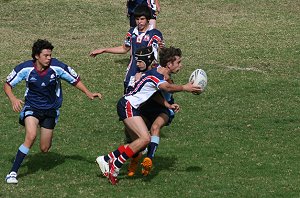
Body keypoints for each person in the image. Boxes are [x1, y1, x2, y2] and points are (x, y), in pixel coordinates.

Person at [96, 46, 203, 185]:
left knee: (141, 144)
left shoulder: (158, 71)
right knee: (145, 138)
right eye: (178, 62)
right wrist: (185, 87)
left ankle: (107, 159)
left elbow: (154, 93)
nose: (180, 65)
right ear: (169, 64)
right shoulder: (157, 75)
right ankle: (115, 165)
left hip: (129, 105)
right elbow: (167, 88)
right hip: (128, 105)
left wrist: (167, 105)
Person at [4, 39, 102, 184]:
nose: (49, 58)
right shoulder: (25, 68)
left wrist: (88, 92)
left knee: (44, 148)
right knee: (31, 136)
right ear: (37, 56)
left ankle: (42, 125)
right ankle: (12, 173)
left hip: (50, 110)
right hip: (32, 107)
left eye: (50, 55)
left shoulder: (57, 67)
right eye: (46, 55)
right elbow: (7, 84)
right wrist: (13, 99)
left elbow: (74, 80)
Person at [125, 46, 177, 177]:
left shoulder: (161, 73)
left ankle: (149, 159)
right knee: (137, 139)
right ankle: (136, 157)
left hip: (164, 108)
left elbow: (167, 87)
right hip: (146, 107)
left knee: (155, 127)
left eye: (140, 61)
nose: (137, 64)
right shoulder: (141, 75)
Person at [90, 4, 164, 94]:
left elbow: (157, 53)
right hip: (132, 71)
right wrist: (104, 50)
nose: (139, 22)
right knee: (128, 96)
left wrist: (161, 48)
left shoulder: (155, 34)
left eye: (142, 19)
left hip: (149, 71)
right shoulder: (131, 33)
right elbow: (124, 49)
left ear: (148, 19)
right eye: (137, 19)